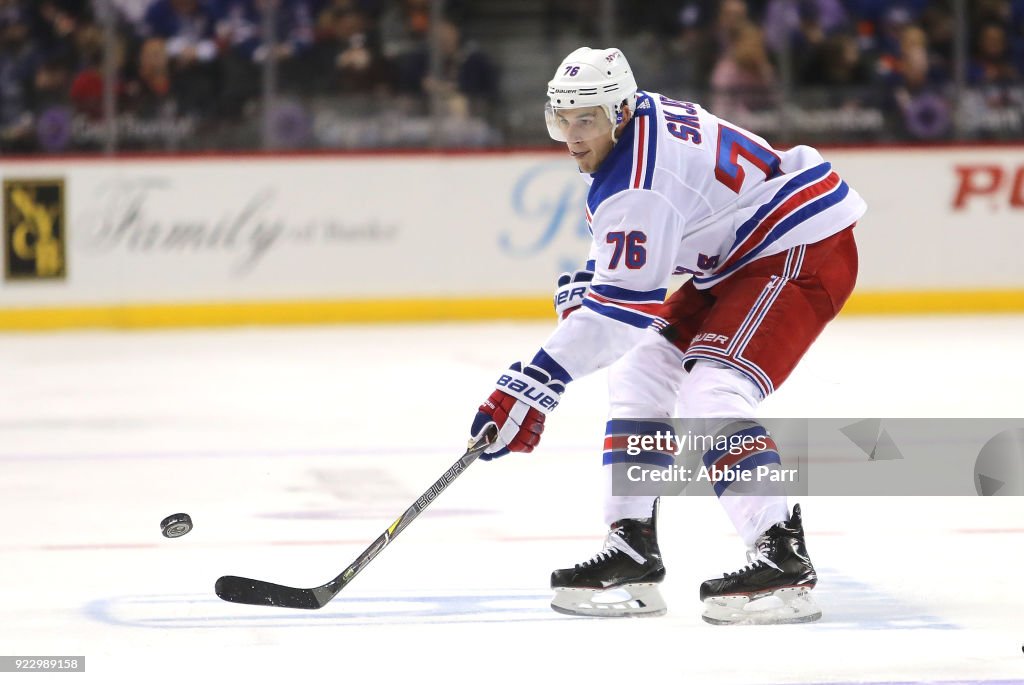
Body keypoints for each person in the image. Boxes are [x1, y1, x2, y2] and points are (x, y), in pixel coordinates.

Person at [467, 47, 865, 624]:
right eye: (564, 118)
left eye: (588, 119)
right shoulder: (635, 131)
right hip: (738, 251)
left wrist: (530, 385)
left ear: (621, 111)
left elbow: (621, 311)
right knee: (641, 369)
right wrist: (594, 292)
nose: (574, 136)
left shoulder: (638, 179)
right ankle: (632, 546)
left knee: (713, 391)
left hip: (799, 244)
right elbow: (635, 261)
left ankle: (781, 553)